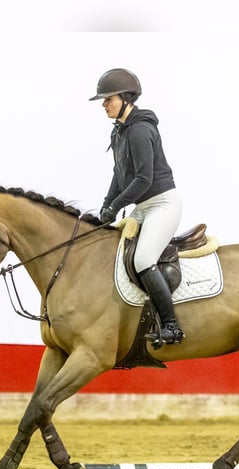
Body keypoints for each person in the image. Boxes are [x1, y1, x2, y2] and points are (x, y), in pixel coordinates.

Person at [89, 68, 184, 346]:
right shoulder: (120, 132)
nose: (104, 105)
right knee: (115, 252)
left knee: (143, 259)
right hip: (143, 206)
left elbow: (144, 179)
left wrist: (117, 204)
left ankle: (171, 325)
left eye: (109, 99)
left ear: (126, 99)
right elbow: (120, 174)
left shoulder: (141, 130)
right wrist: (107, 204)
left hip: (163, 204)